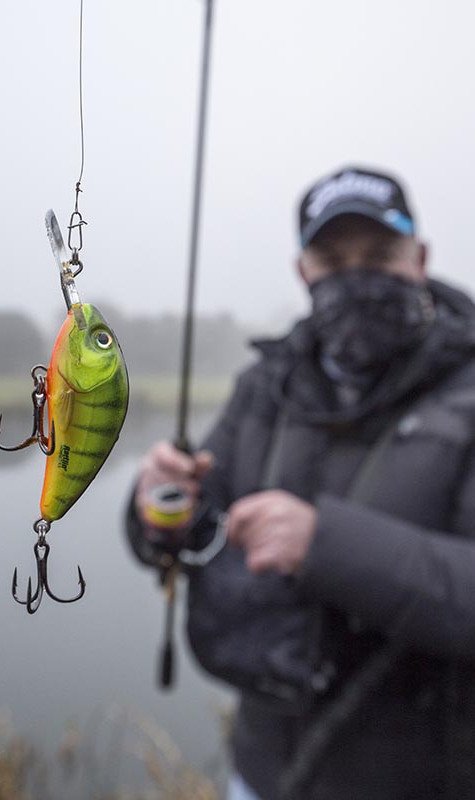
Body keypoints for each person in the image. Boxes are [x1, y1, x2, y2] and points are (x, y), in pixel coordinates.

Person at [125, 165, 475, 800]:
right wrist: (156, 506)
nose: (356, 274)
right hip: (262, 773)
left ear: (420, 258)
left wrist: (327, 546)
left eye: (380, 255)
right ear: (303, 272)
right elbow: (182, 524)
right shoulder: (265, 386)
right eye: (333, 258)